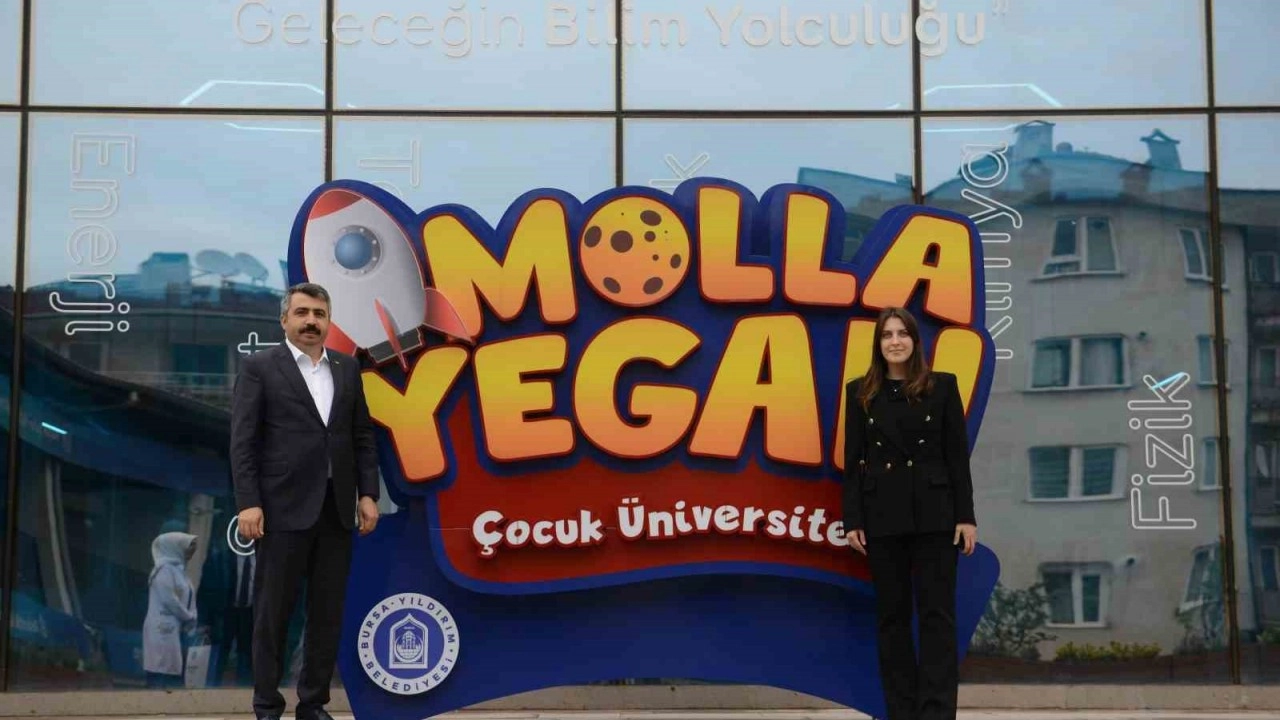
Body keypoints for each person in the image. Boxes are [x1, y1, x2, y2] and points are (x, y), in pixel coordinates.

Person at [230, 282, 381, 720]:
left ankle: (312, 704)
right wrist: (248, 502)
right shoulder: (260, 367)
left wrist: (368, 493)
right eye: (302, 313)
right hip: (280, 510)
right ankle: (267, 705)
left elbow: (361, 436)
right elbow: (243, 442)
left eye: (319, 313)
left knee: (326, 614)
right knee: (272, 615)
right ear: (284, 320)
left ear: (329, 321)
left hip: (336, 510)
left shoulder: (347, 368)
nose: (311, 321)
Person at [841, 306, 978, 720]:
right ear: (878, 344)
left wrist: (966, 516)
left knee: (938, 617)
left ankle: (936, 712)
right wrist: (853, 519)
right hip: (882, 515)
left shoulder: (942, 387)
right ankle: (901, 711)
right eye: (887, 335)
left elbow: (957, 456)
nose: (895, 341)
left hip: (937, 515)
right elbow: (854, 460)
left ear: (916, 342)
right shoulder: (860, 393)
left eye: (902, 333)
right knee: (892, 618)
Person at [142, 531, 199, 689]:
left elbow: (189, 597)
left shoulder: (180, 571)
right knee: (161, 672)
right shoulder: (163, 571)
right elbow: (170, 600)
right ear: (175, 548)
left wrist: (193, 616)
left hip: (177, 630)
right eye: (189, 548)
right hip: (162, 629)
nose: (191, 553)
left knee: (173, 673)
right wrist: (188, 616)